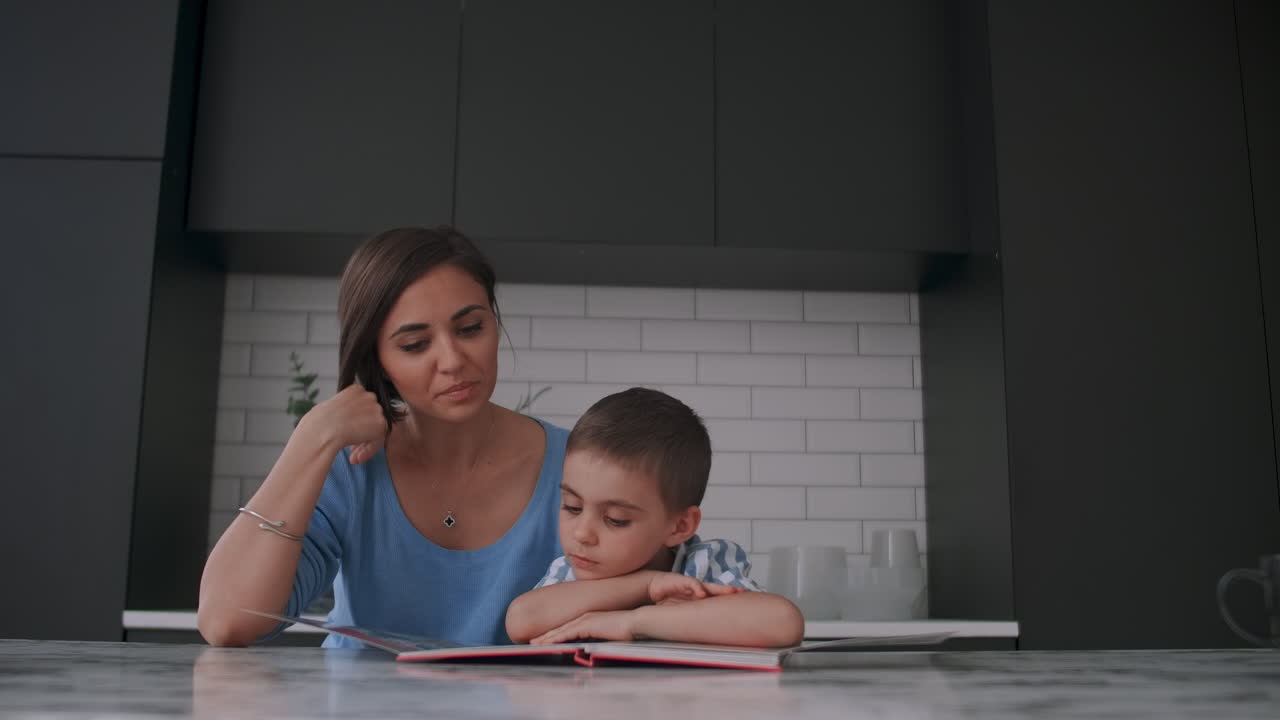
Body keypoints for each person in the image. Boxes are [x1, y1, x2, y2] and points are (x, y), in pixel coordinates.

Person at [198, 227, 566, 648]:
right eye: (414, 344)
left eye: (470, 328)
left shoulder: (577, 467)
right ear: (377, 358)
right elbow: (227, 622)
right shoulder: (350, 469)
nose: (452, 360)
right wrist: (312, 437)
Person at [505, 388, 805, 647]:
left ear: (680, 526)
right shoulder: (569, 573)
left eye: (615, 519)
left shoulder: (702, 566)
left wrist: (632, 622)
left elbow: (782, 622)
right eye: (572, 506)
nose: (582, 534)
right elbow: (522, 621)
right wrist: (648, 584)